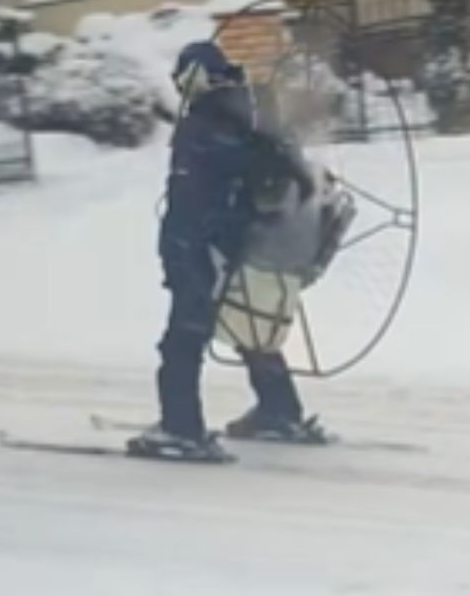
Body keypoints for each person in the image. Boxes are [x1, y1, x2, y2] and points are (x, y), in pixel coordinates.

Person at [129, 40, 329, 462]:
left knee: (183, 339)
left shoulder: (205, 123)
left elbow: (192, 198)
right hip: (253, 245)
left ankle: (180, 428)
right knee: (251, 329)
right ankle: (279, 411)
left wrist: (183, 250)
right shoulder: (257, 113)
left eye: (181, 78)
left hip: (203, 248)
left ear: (194, 77)